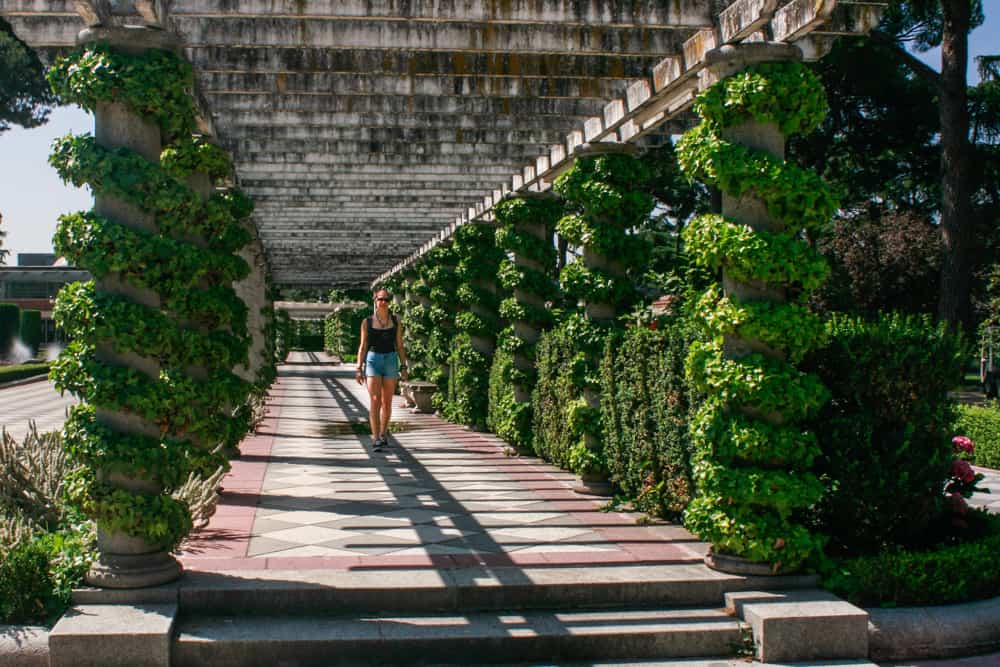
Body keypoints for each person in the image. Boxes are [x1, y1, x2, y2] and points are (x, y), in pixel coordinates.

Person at [356, 288, 408, 450]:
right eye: (380, 299)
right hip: (373, 360)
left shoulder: (396, 321)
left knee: (387, 401)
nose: (383, 303)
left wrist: (404, 366)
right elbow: (363, 346)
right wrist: (359, 367)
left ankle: (384, 433)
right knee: (375, 400)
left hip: (391, 360)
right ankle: (376, 437)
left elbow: (399, 345)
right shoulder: (367, 322)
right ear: (375, 301)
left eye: (386, 300)